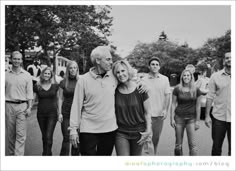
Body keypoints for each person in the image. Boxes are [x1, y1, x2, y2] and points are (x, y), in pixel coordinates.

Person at [69, 46, 118, 156]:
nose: (111, 62)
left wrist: (142, 84)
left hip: (109, 129)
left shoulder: (114, 77)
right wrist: (73, 129)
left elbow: (129, 81)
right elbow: (76, 105)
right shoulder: (83, 80)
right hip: (88, 130)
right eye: (108, 59)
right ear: (98, 60)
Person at [112, 60, 152, 156]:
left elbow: (147, 112)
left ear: (128, 71)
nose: (120, 74)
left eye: (123, 71)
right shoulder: (114, 91)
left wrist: (148, 130)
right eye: (117, 72)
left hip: (139, 132)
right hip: (121, 132)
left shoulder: (141, 89)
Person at [5, 51, 33, 156]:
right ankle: (11, 157)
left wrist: (29, 107)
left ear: (21, 60)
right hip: (9, 106)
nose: (17, 61)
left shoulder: (27, 75)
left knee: (21, 136)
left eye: (19, 59)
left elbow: (29, 93)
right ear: (11, 59)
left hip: (22, 107)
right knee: (10, 135)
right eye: (15, 59)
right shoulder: (5, 75)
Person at [142, 57, 171, 155]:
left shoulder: (165, 79)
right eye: (152, 64)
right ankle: (148, 156)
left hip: (159, 115)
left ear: (159, 67)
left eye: (156, 64)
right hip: (146, 115)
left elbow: (167, 95)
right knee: (147, 139)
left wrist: (165, 110)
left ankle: (153, 155)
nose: (155, 66)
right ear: (149, 66)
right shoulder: (143, 80)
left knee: (155, 139)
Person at [205, 52, 231, 156]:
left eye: (232, 58)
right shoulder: (215, 76)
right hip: (218, 119)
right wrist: (207, 116)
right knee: (216, 148)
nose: (229, 60)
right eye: (227, 58)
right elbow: (210, 96)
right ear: (224, 61)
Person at [170, 69, 201, 156]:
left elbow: (198, 106)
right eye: (184, 75)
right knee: (178, 145)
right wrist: (171, 118)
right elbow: (173, 104)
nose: (186, 77)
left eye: (188, 75)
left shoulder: (196, 90)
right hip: (179, 118)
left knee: (193, 146)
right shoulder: (177, 89)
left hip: (191, 119)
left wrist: (198, 121)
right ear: (182, 77)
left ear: (191, 77)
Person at [33, 67, 60, 155]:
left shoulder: (55, 86)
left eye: (49, 74)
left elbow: (59, 99)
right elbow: (33, 99)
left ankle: (47, 155)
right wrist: (28, 107)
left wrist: (59, 113)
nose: (47, 75)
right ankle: (46, 153)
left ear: (51, 75)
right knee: (44, 137)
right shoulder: (37, 86)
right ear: (42, 74)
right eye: (45, 73)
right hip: (40, 114)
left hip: (52, 114)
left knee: (48, 136)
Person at [58, 61, 80, 155]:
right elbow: (60, 98)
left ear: (77, 69)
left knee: (76, 139)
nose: (73, 70)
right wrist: (59, 113)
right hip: (66, 113)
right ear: (68, 69)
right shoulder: (63, 82)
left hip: (78, 114)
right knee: (66, 138)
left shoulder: (81, 81)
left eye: (75, 68)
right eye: (71, 68)